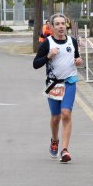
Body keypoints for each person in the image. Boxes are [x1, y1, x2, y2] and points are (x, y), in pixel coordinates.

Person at [33, 13, 82, 163]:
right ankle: (55, 140)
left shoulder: (72, 42)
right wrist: (48, 56)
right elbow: (36, 64)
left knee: (66, 113)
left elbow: (76, 57)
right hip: (54, 84)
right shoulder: (47, 43)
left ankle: (65, 150)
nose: (61, 26)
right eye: (57, 24)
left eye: (63, 23)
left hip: (69, 82)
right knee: (56, 117)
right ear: (52, 27)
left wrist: (78, 60)